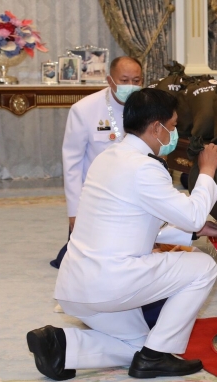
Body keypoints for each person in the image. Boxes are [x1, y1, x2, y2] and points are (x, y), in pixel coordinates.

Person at [26, 88, 217, 381]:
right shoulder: (144, 168)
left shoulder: (108, 157)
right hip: (109, 285)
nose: (174, 133)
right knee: (202, 267)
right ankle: (159, 356)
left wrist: (195, 232)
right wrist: (207, 171)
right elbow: (192, 214)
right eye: (174, 126)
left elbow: (129, 223)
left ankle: (62, 345)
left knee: (139, 346)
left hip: (75, 286)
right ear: (156, 127)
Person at [50, 56, 143, 269]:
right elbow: (72, 163)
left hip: (135, 194)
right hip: (96, 198)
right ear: (110, 81)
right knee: (86, 263)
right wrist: (74, 211)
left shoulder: (147, 107)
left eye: (136, 81)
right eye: (125, 80)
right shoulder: (84, 110)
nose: (131, 86)